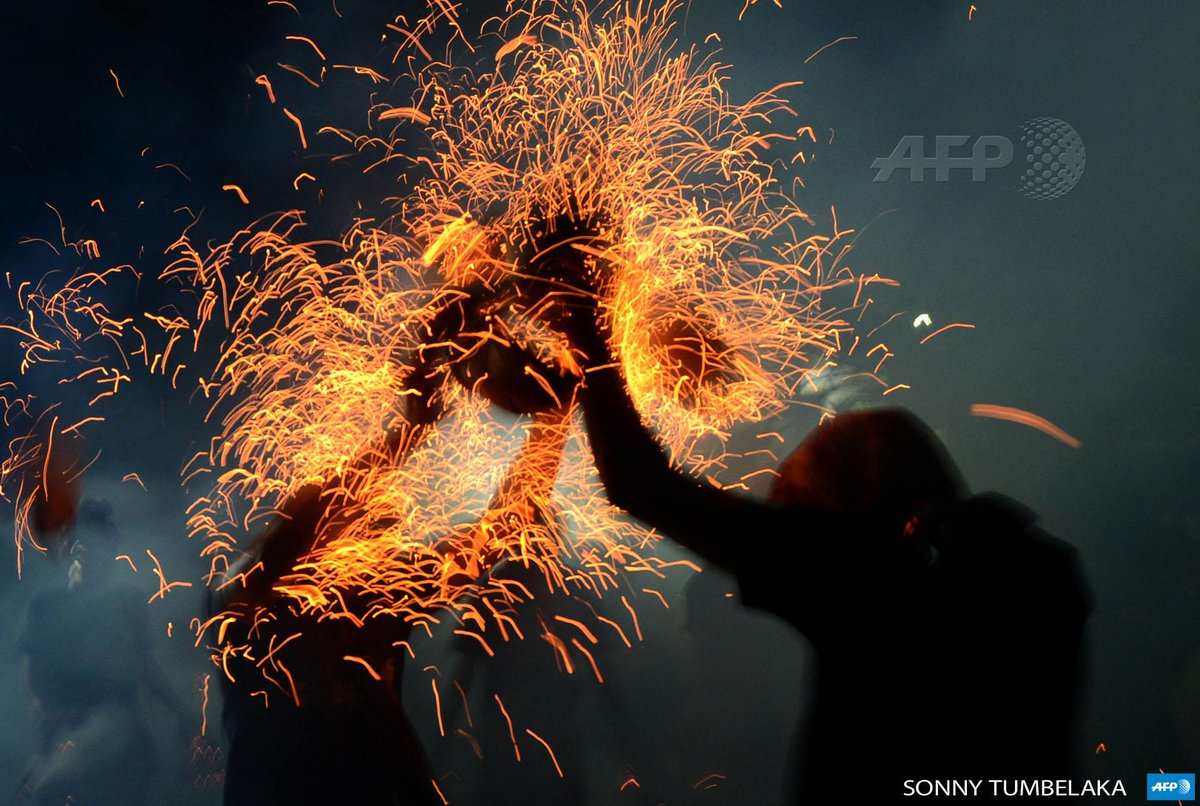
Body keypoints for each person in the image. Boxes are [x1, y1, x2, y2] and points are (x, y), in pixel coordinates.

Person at [503, 283, 1092, 802]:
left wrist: (586, 318)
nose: (776, 504)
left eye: (795, 504)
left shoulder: (862, 574)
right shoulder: (1031, 568)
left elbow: (640, 485)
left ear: (850, 501)